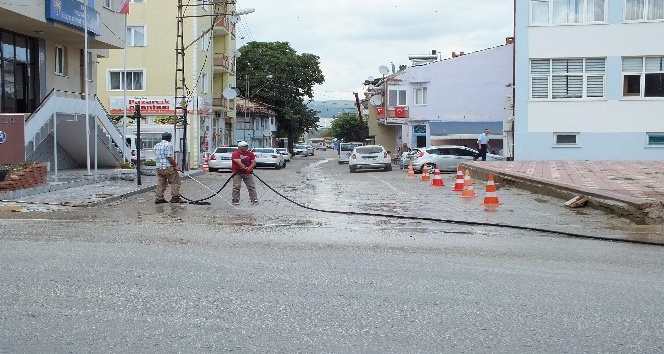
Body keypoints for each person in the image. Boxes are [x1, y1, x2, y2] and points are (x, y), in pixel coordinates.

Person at [154, 132, 185, 204]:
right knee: (175, 181)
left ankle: (159, 197)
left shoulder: (156, 145)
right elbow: (169, 157)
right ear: (170, 138)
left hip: (159, 167)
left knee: (161, 183)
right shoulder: (168, 145)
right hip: (168, 167)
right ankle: (175, 197)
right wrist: (175, 165)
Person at [231, 141, 258, 205]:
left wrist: (249, 168)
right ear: (239, 147)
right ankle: (235, 200)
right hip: (237, 172)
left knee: (251, 186)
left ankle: (254, 199)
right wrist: (245, 168)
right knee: (236, 186)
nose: (246, 147)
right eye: (244, 146)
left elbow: (253, 162)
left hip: (247, 173)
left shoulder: (250, 153)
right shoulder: (235, 153)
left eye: (247, 146)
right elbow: (238, 162)